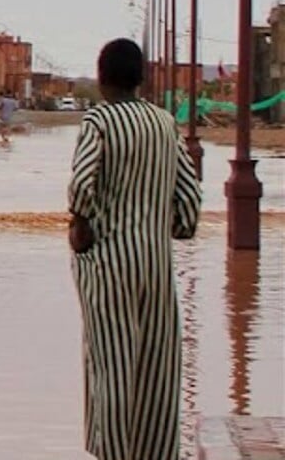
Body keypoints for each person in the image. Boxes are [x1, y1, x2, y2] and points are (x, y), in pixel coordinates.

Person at [68, 38, 201, 460]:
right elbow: (189, 199)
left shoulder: (99, 122)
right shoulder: (164, 123)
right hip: (156, 266)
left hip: (108, 264)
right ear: (141, 78)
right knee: (156, 368)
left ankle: (113, 453)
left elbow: (82, 184)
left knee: (111, 365)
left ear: (103, 78)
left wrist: (80, 223)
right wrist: (174, 229)